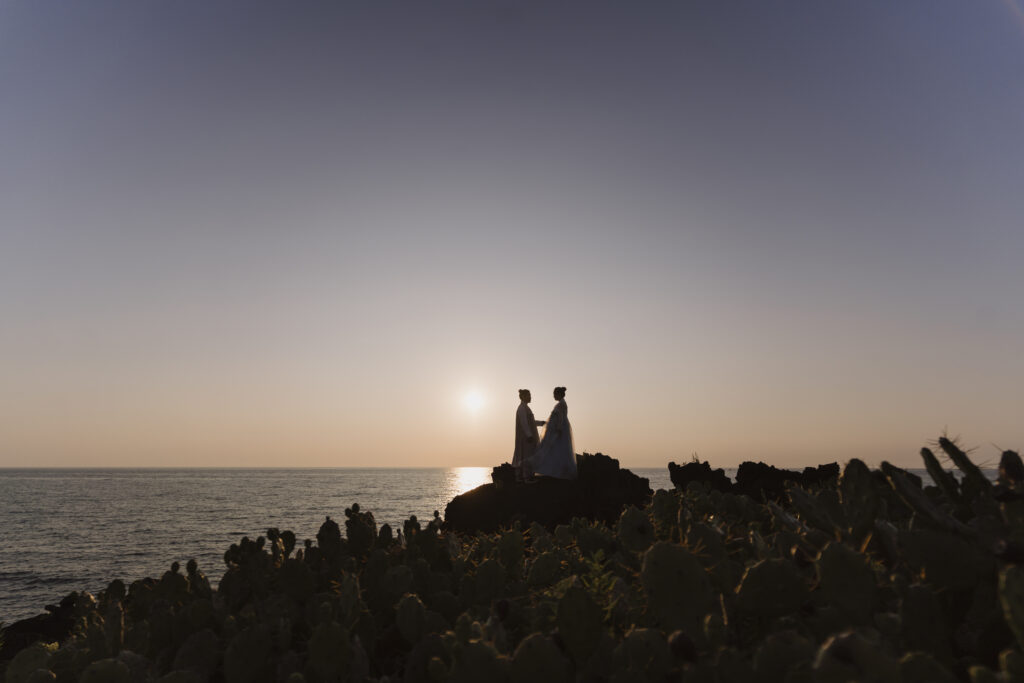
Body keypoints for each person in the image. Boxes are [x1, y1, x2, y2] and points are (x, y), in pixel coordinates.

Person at [531, 386, 577, 479]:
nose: (553, 396)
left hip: (559, 429)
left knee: (557, 449)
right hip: (558, 428)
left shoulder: (561, 404)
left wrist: (558, 428)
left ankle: (557, 470)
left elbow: (560, 417)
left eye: (554, 394)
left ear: (558, 394)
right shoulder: (561, 403)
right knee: (555, 449)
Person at [512, 389, 545, 482]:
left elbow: (531, 422)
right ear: (523, 397)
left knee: (523, 455)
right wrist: (529, 435)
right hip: (525, 438)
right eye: (528, 395)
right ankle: (526, 478)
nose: (530, 397)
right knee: (526, 456)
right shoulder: (522, 408)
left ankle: (521, 477)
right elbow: (524, 423)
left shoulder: (525, 407)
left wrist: (541, 423)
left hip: (527, 437)